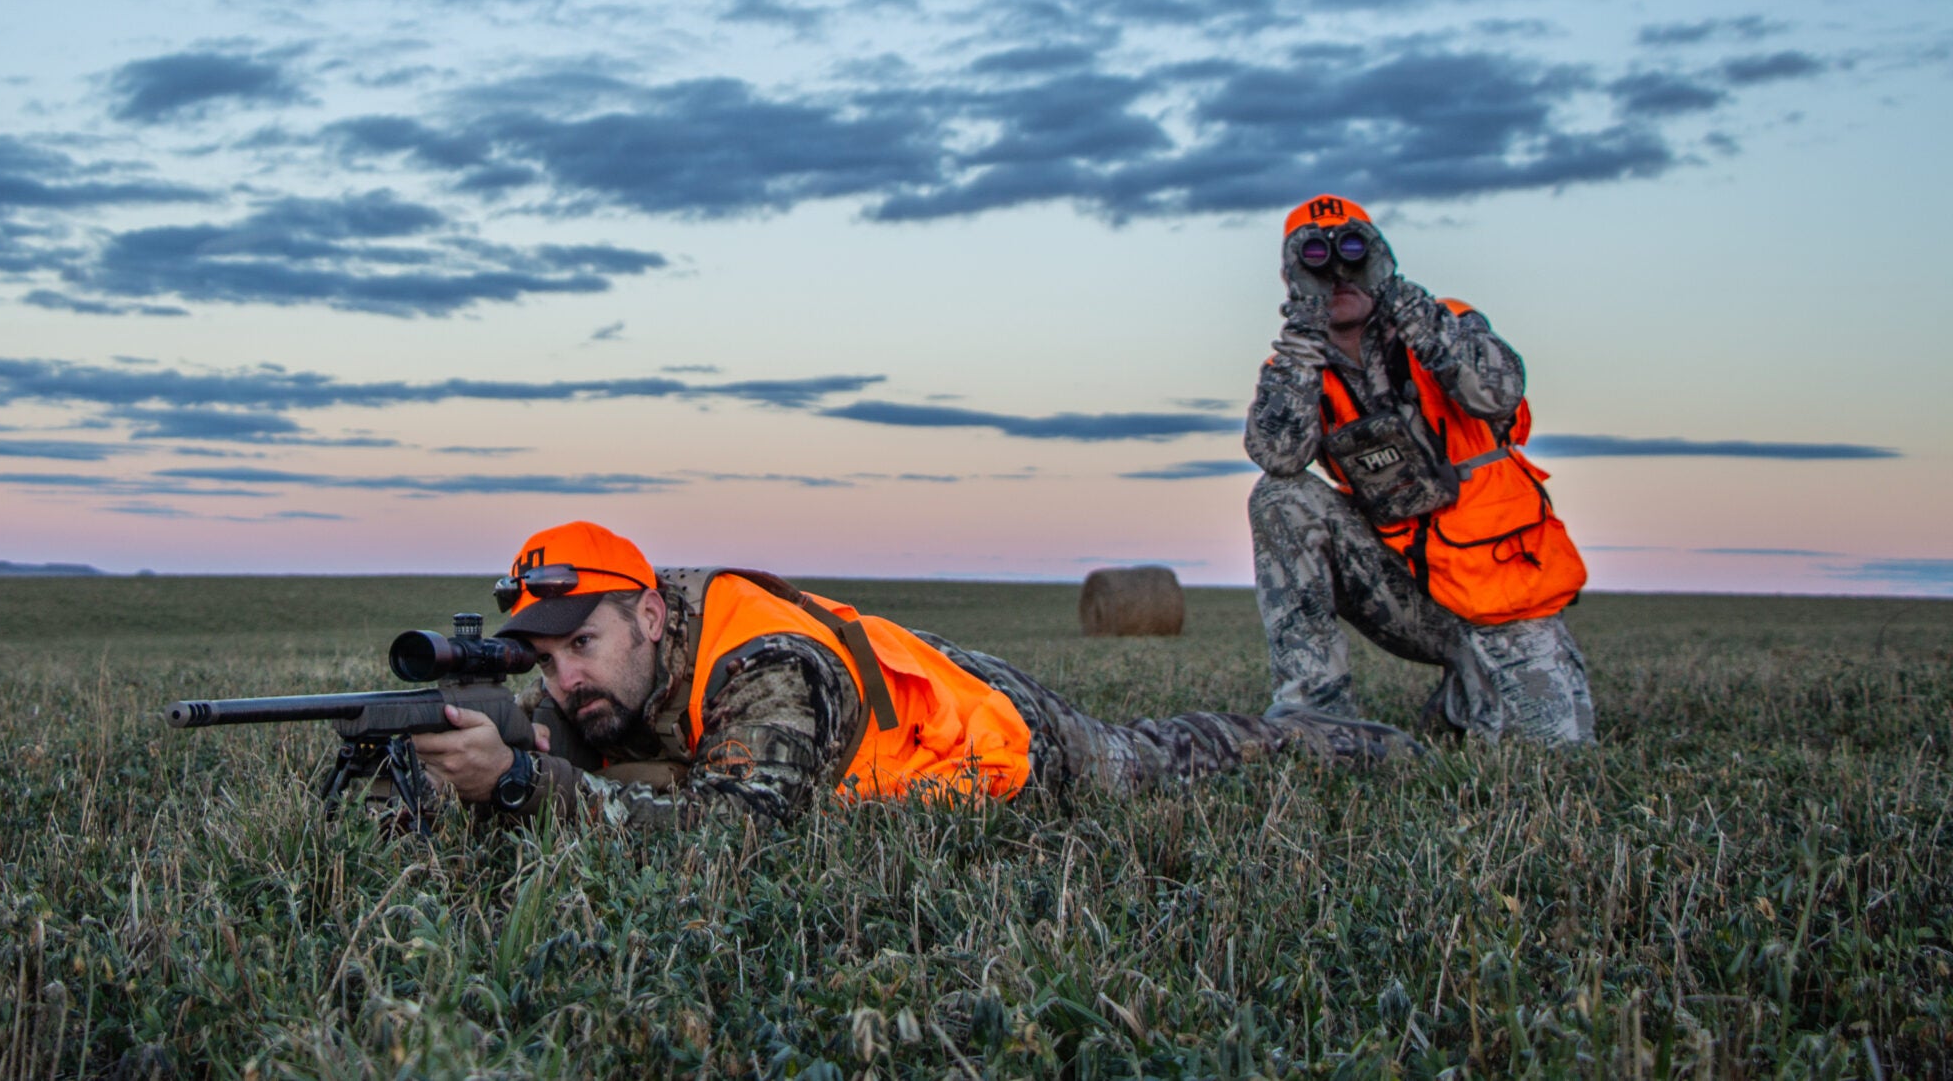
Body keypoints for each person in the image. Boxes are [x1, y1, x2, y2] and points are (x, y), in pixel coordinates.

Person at [411, 519, 1418, 826]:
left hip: (1003, 739)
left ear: (646, 612)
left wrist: (517, 785)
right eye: (546, 658)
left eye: (580, 647)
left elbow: (742, 834)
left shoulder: (766, 669)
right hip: (897, 688)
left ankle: (1361, 739)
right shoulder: (624, 655)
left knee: (1182, 754)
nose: (564, 676)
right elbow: (595, 733)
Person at [1243, 193, 1594, 745]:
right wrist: (1300, 344)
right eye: (1315, 259)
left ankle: (1469, 694)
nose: (1338, 272)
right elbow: (1278, 455)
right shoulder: (1297, 367)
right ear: (1291, 275)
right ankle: (1318, 715)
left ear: (1380, 256)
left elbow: (1498, 392)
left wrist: (1399, 298)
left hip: (1499, 588)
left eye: (1355, 253)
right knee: (1280, 496)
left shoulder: (1445, 322)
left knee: (1551, 751)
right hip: (1406, 592)